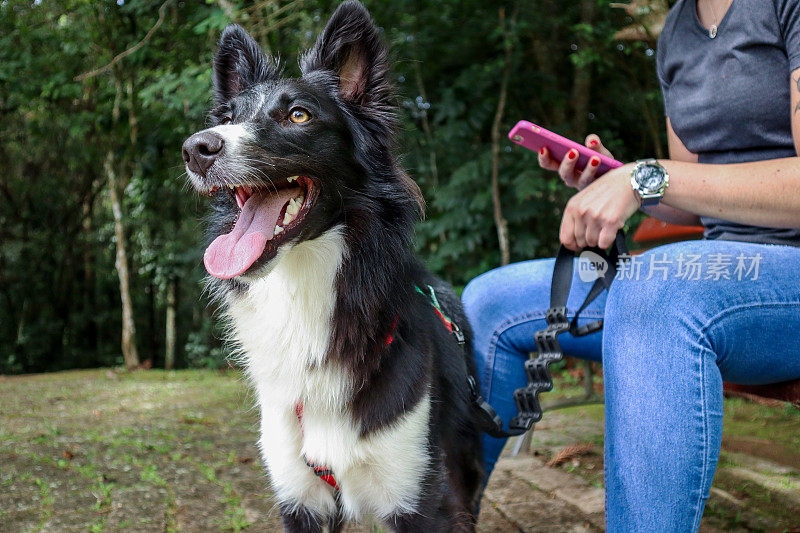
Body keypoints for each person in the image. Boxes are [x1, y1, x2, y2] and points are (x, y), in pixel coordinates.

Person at [462, 0, 800, 530]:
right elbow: (690, 199)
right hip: (706, 276)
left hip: (784, 276)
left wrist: (647, 176)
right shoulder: (677, 35)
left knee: (654, 294)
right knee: (491, 302)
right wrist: (616, 181)